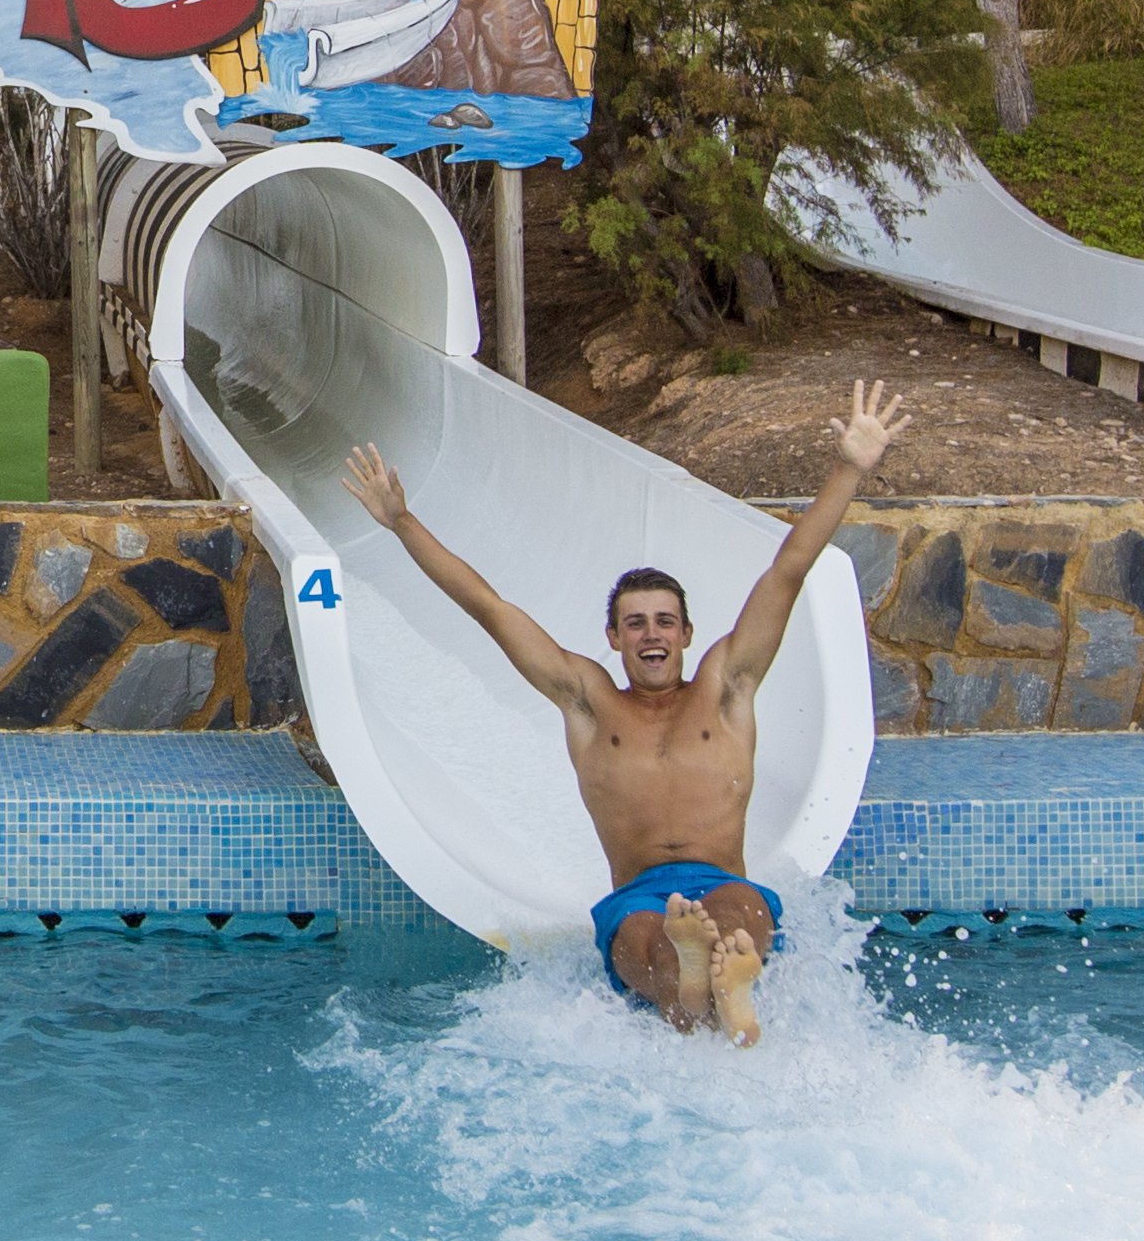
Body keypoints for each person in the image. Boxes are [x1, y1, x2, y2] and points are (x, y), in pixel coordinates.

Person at [339, 380, 911, 1043]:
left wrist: (849, 468)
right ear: (613, 638)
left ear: (688, 635)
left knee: (738, 914)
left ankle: (714, 979)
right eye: (635, 624)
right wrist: (402, 522)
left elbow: (788, 570)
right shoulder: (587, 701)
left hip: (722, 879)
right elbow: (489, 608)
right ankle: (706, 983)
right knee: (647, 945)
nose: (652, 635)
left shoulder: (728, 688)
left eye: (665, 622)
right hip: (638, 896)